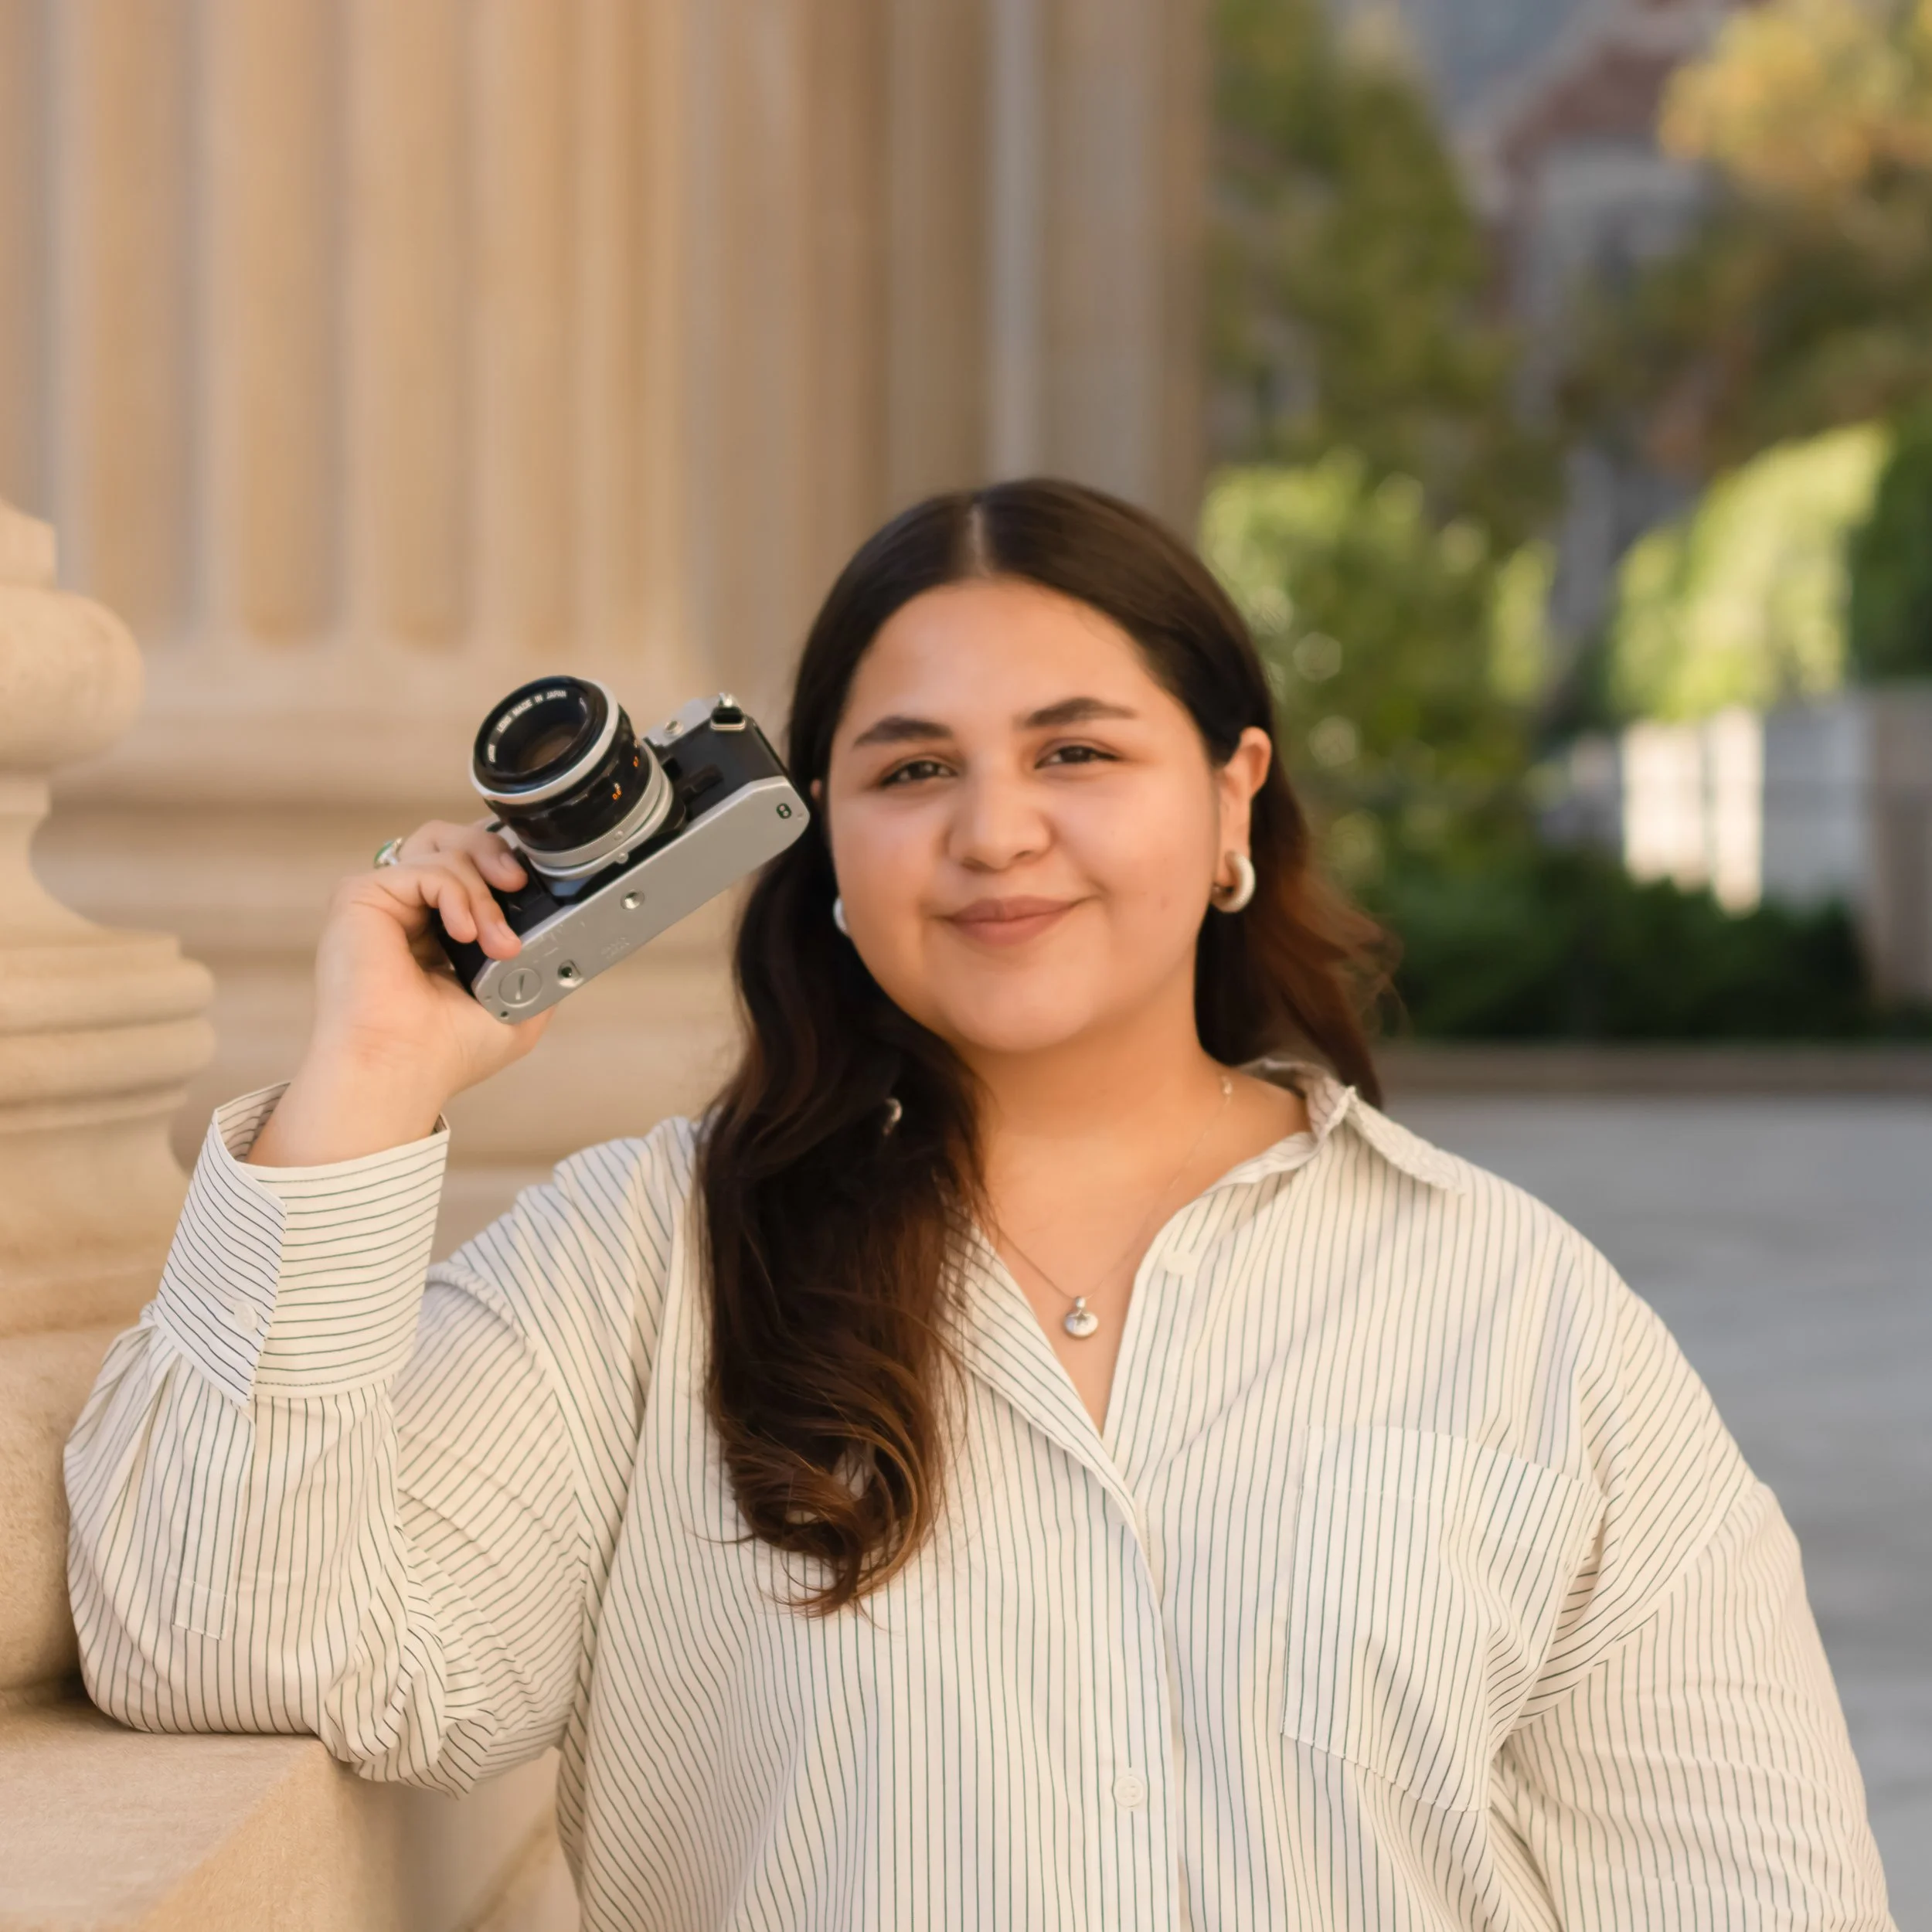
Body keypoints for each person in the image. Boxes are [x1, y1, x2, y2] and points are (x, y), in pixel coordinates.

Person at [65, 480, 1891, 1930]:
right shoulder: (648, 1266)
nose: (994, 830)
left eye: (1077, 750)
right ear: (822, 848)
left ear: (1231, 795)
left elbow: (1747, 1892)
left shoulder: (1518, 1313)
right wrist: (371, 1082)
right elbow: (226, 1629)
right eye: (913, 767)